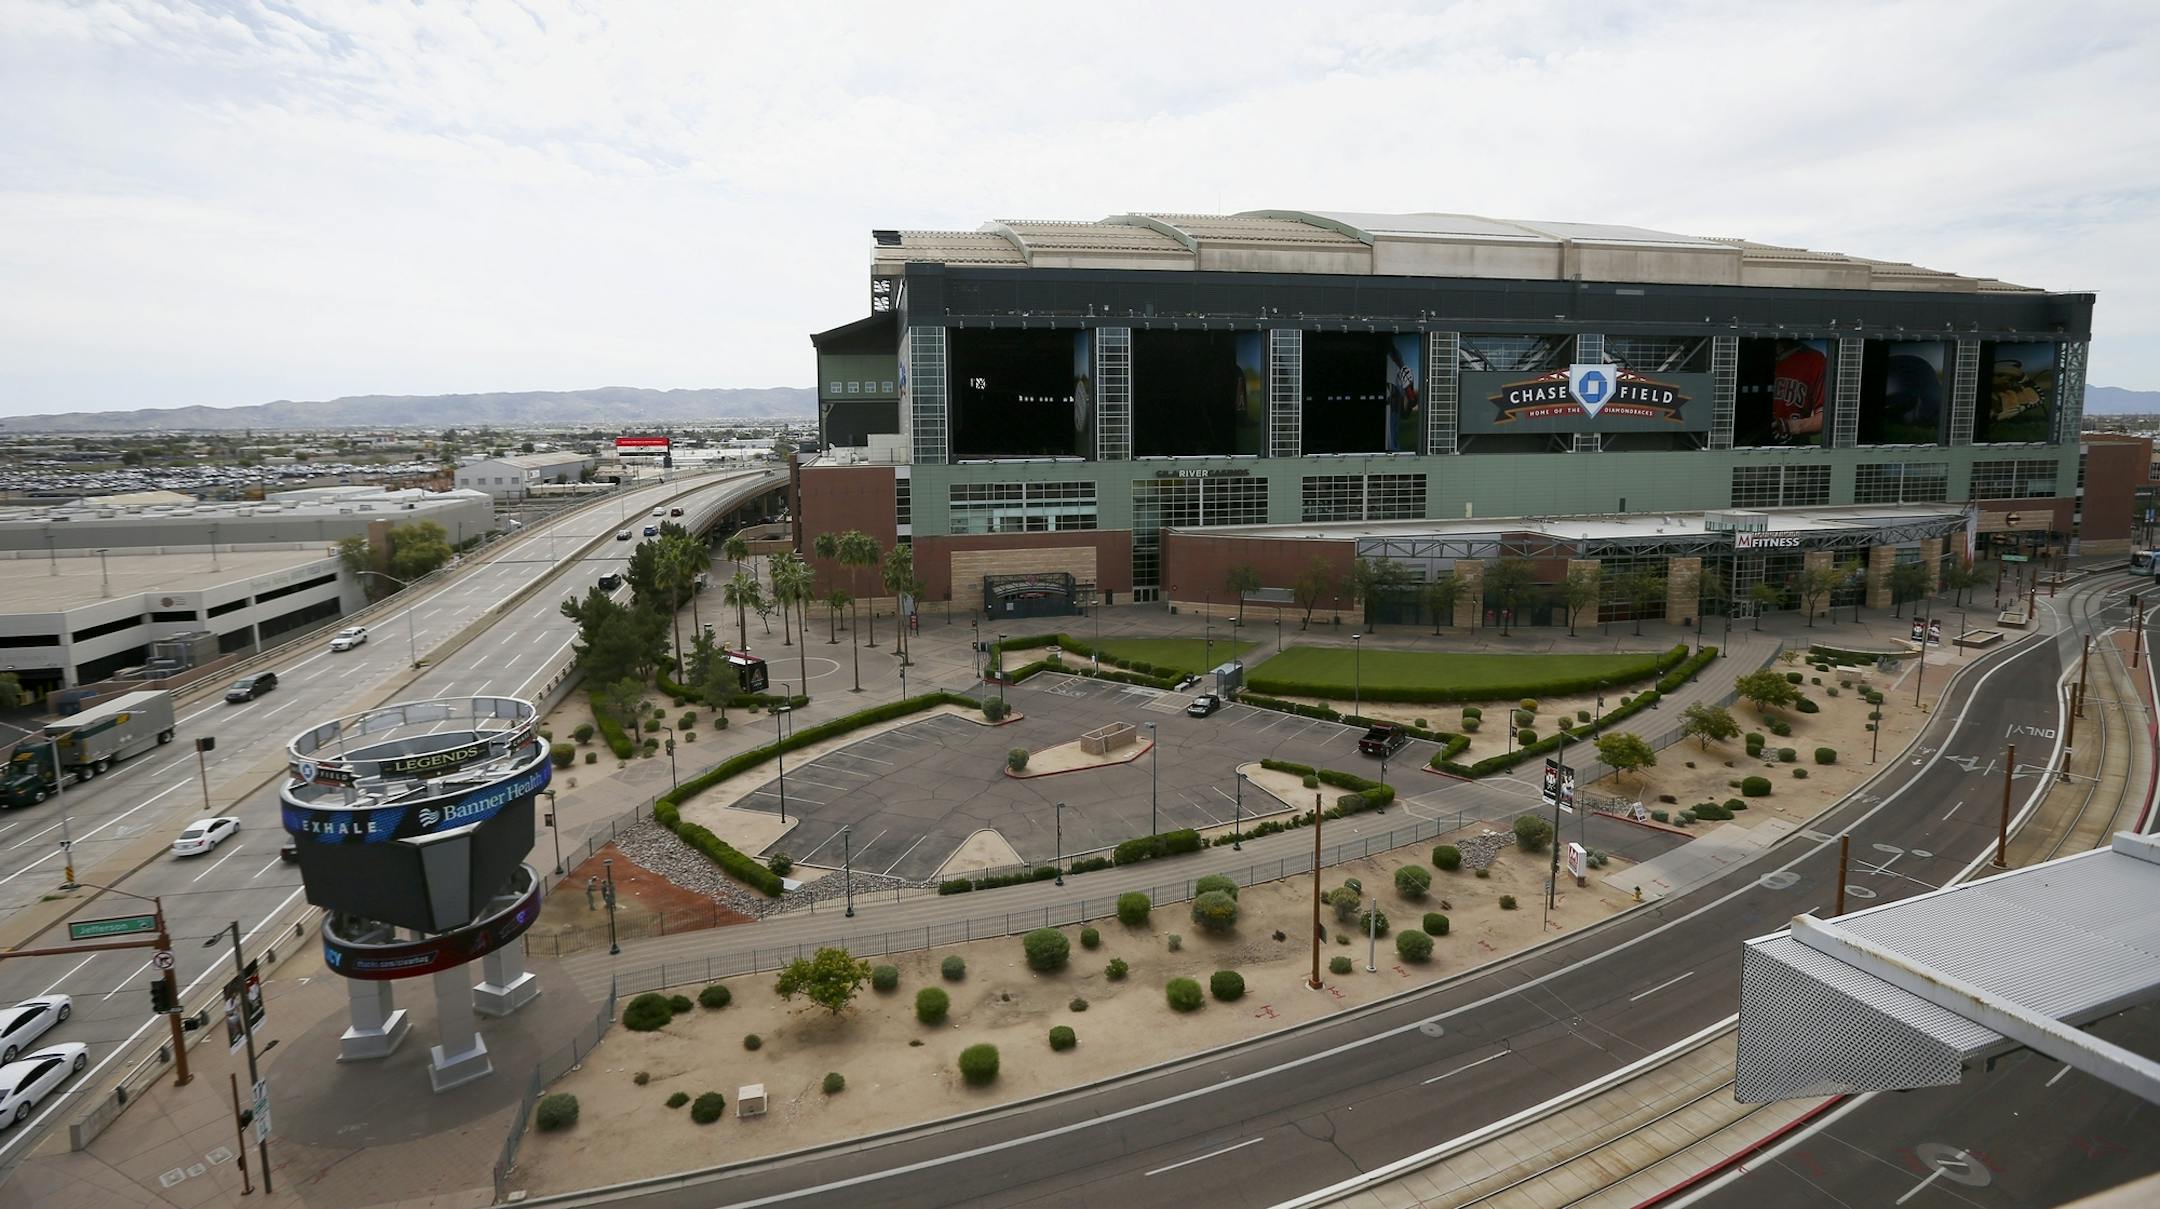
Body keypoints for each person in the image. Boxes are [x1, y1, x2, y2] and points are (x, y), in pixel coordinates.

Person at [1769, 339, 1828, 443]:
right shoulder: (1746, 351)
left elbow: (1826, 418)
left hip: (1794, 448)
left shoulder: (1815, 360)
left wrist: (1789, 426)